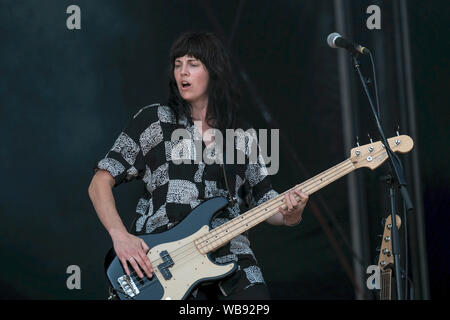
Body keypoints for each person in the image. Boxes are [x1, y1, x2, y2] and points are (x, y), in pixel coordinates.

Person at [88, 31, 308, 300]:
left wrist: (292, 213)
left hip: (231, 256)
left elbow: (266, 202)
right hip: (163, 259)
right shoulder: (154, 121)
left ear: (214, 71)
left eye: (193, 64)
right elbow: (100, 181)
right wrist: (120, 236)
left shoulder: (243, 135)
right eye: (178, 64)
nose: (183, 72)